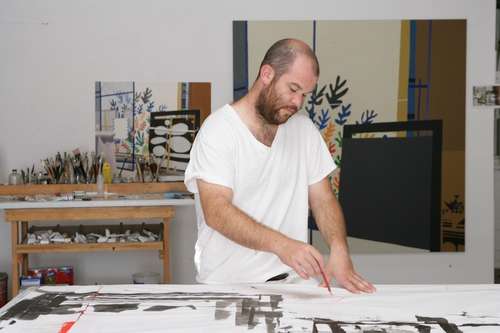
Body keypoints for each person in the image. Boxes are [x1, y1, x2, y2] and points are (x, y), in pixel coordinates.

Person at [184, 38, 375, 293]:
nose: (298, 102)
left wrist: (339, 248)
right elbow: (216, 211)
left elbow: (323, 199)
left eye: (304, 94)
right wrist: (283, 246)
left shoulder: (304, 131)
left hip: (295, 284)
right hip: (227, 287)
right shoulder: (218, 131)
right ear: (267, 74)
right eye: (293, 89)